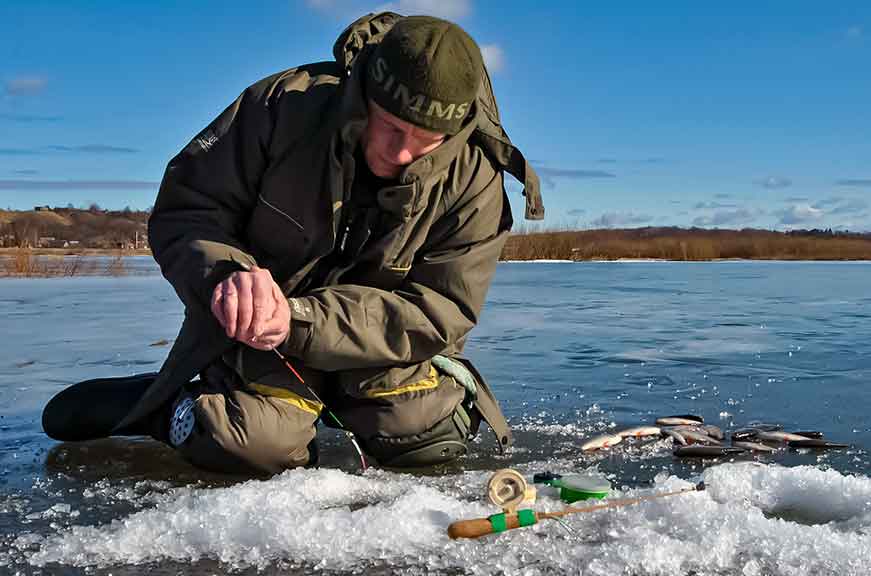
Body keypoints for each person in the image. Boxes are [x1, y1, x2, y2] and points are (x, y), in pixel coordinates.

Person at [41, 12, 544, 476]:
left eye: (426, 138)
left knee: (426, 439)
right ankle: (169, 408)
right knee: (252, 444)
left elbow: (439, 310)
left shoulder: (475, 180)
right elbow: (189, 210)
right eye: (390, 126)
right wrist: (227, 276)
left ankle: (348, 405)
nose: (402, 151)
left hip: (376, 348)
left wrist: (300, 319)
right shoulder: (282, 107)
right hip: (255, 335)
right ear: (365, 91)